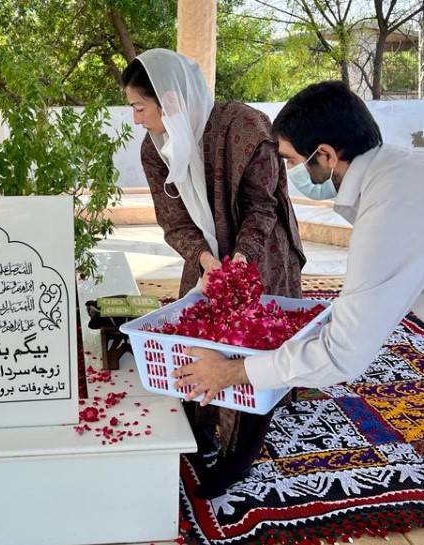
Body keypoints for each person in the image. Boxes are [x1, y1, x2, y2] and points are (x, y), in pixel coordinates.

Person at [121, 48, 306, 498]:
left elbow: (263, 206)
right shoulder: (155, 148)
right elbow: (174, 220)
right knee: (191, 339)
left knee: (251, 349)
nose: (137, 119)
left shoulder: (245, 127)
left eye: (140, 107)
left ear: (170, 100)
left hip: (259, 250)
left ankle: (237, 459)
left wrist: (240, 262)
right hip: (207, 256)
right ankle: (200, 433)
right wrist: (206, 261)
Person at [173, 81, 424, 409]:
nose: (288, 171)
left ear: (326, 154)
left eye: (291, 161)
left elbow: (342, 353)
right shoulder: (400, 170)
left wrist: (231, 371)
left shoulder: (388, 212)